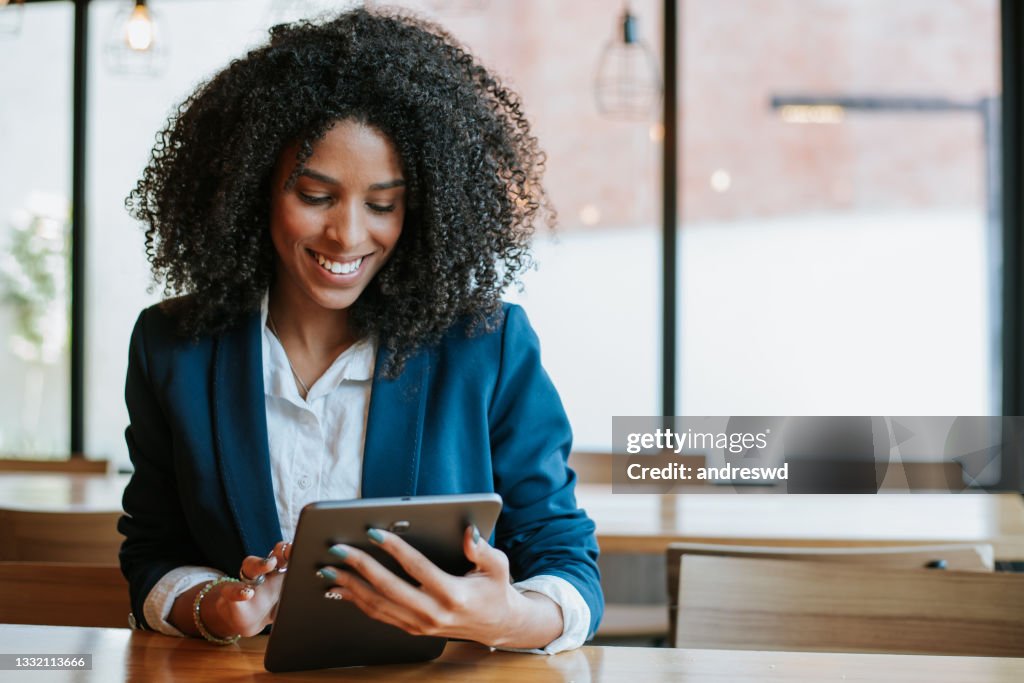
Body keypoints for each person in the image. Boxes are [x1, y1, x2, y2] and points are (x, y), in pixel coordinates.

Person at [117, 6, 602, 653]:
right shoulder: (172, 347)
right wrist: (212, 604)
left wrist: (510, 615)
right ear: (251, 185)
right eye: (315, 195)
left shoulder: (486, 344)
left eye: (382, 204)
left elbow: (567, 559)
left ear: (421, 207)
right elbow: (154, 549)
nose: (347, 235)